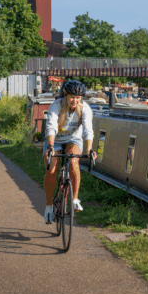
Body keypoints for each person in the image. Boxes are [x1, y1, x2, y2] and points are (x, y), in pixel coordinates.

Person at [43, 80, 97, 224]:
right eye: (72, 97)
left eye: (78, 98)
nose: (75, 100)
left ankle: (75, 199)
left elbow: (88, 130)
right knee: (52, 169)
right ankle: (48, 207)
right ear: (65, 96)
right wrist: (50, 146)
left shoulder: (85, 108)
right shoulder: (56, 106)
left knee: (74, 162)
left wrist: (89, 149)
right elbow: (50, 127)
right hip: (55, 139)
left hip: (73, 139)